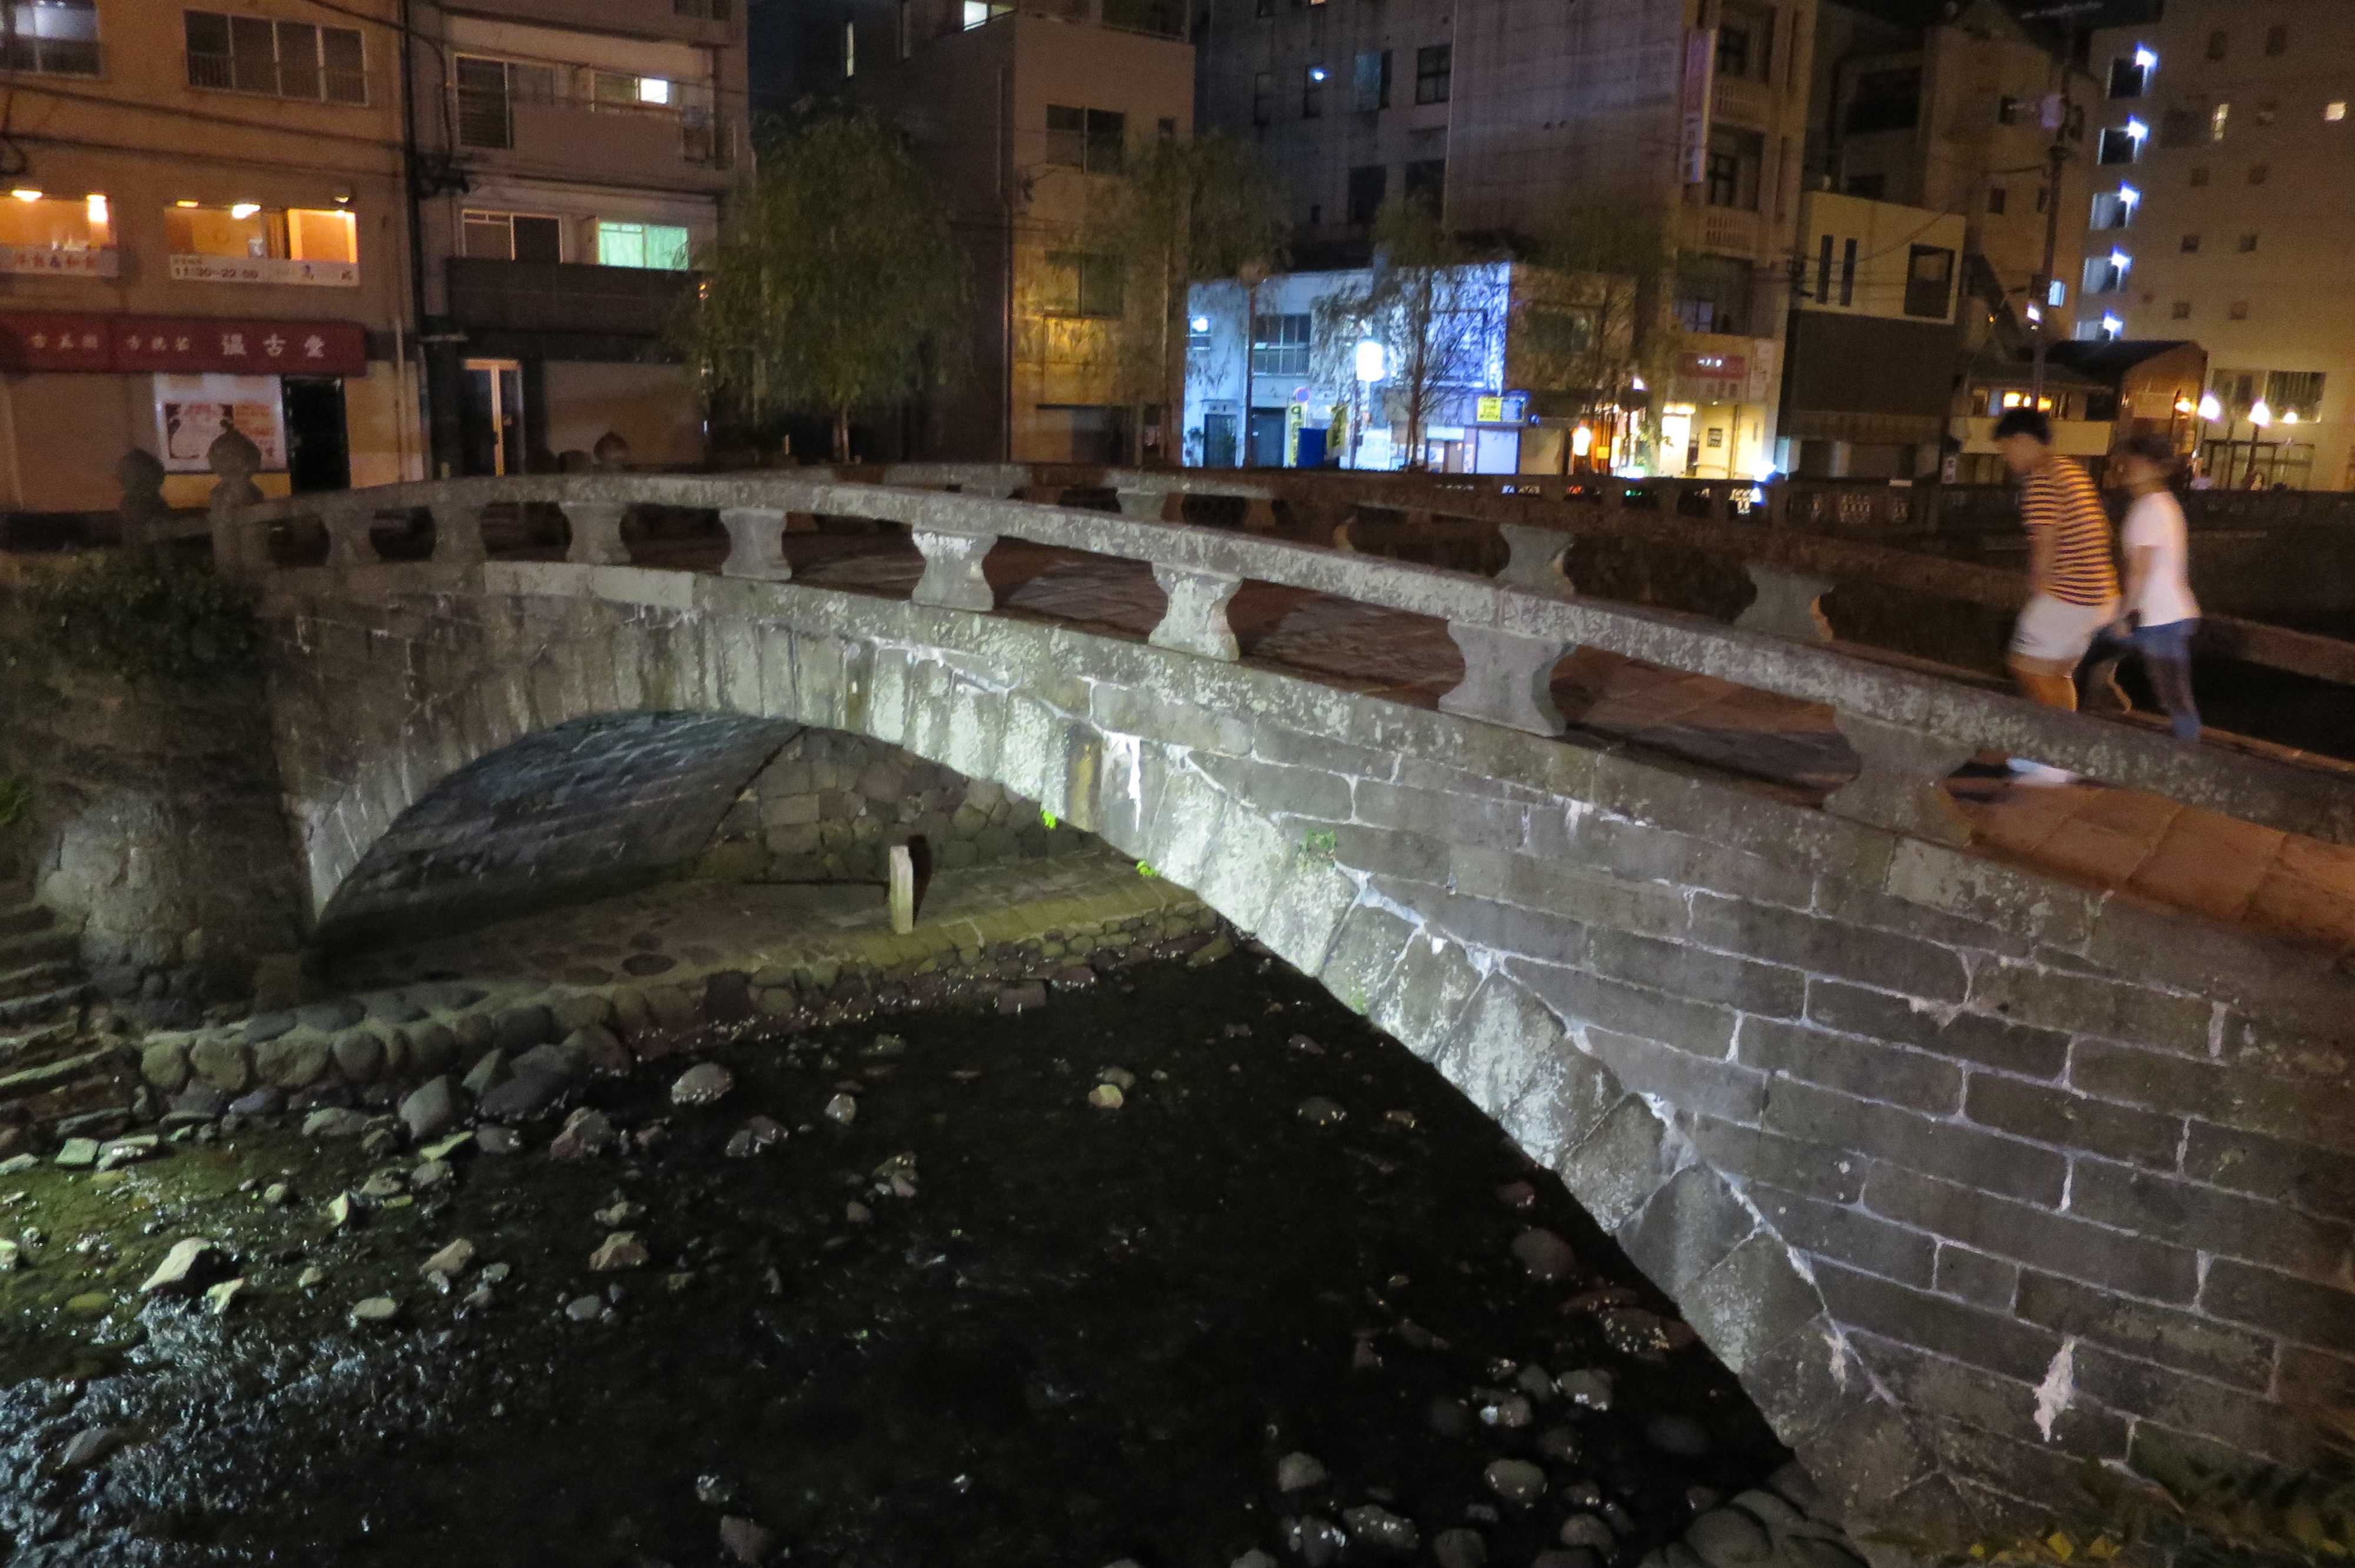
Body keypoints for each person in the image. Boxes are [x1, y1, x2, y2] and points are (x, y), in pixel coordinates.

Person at [1994, 408, 2121, 782]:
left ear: (2023, 441)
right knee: (2058, 673)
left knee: (2024, 665)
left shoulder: (2042, 480)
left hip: (2069, 593)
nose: (2007, 458)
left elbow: (2045, 540)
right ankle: (2059, 752)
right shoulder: (2072, 471)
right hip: (2100, 592)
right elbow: (2103, 531)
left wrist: (2039, 585)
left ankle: (2054, 757)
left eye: (2006, 448)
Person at [2091, 433, 2203, 740]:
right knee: (2092, 657)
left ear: (2155, 467)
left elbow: (2141, 569)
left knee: (2173, 693)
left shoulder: (2150, 509)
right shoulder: (2162, 504)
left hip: (2158, 618)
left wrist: (2125, 616)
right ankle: (2099, 712)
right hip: (2162, 615)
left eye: (2131, 463)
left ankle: (2189, 758)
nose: (2124, 469)